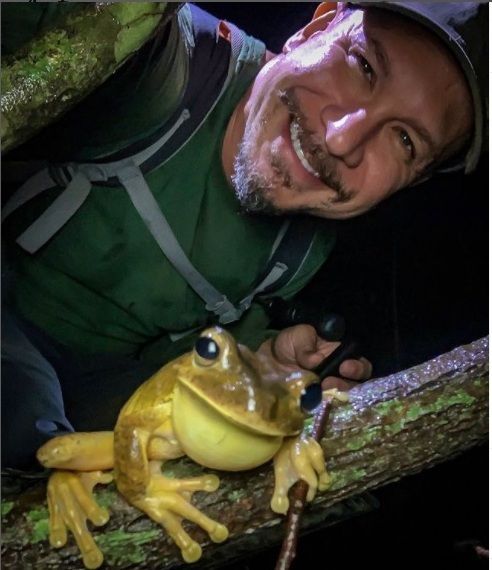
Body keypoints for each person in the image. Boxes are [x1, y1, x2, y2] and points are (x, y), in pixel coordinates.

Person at [1, 2, 487, 470]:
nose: (342, 139)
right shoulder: (156, 69)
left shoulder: (301, 248)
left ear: (414, 179)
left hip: (91, 377)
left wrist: (260, 361)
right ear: (314, 29)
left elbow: (156, 355)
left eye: (404, 140)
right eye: (361, 64)